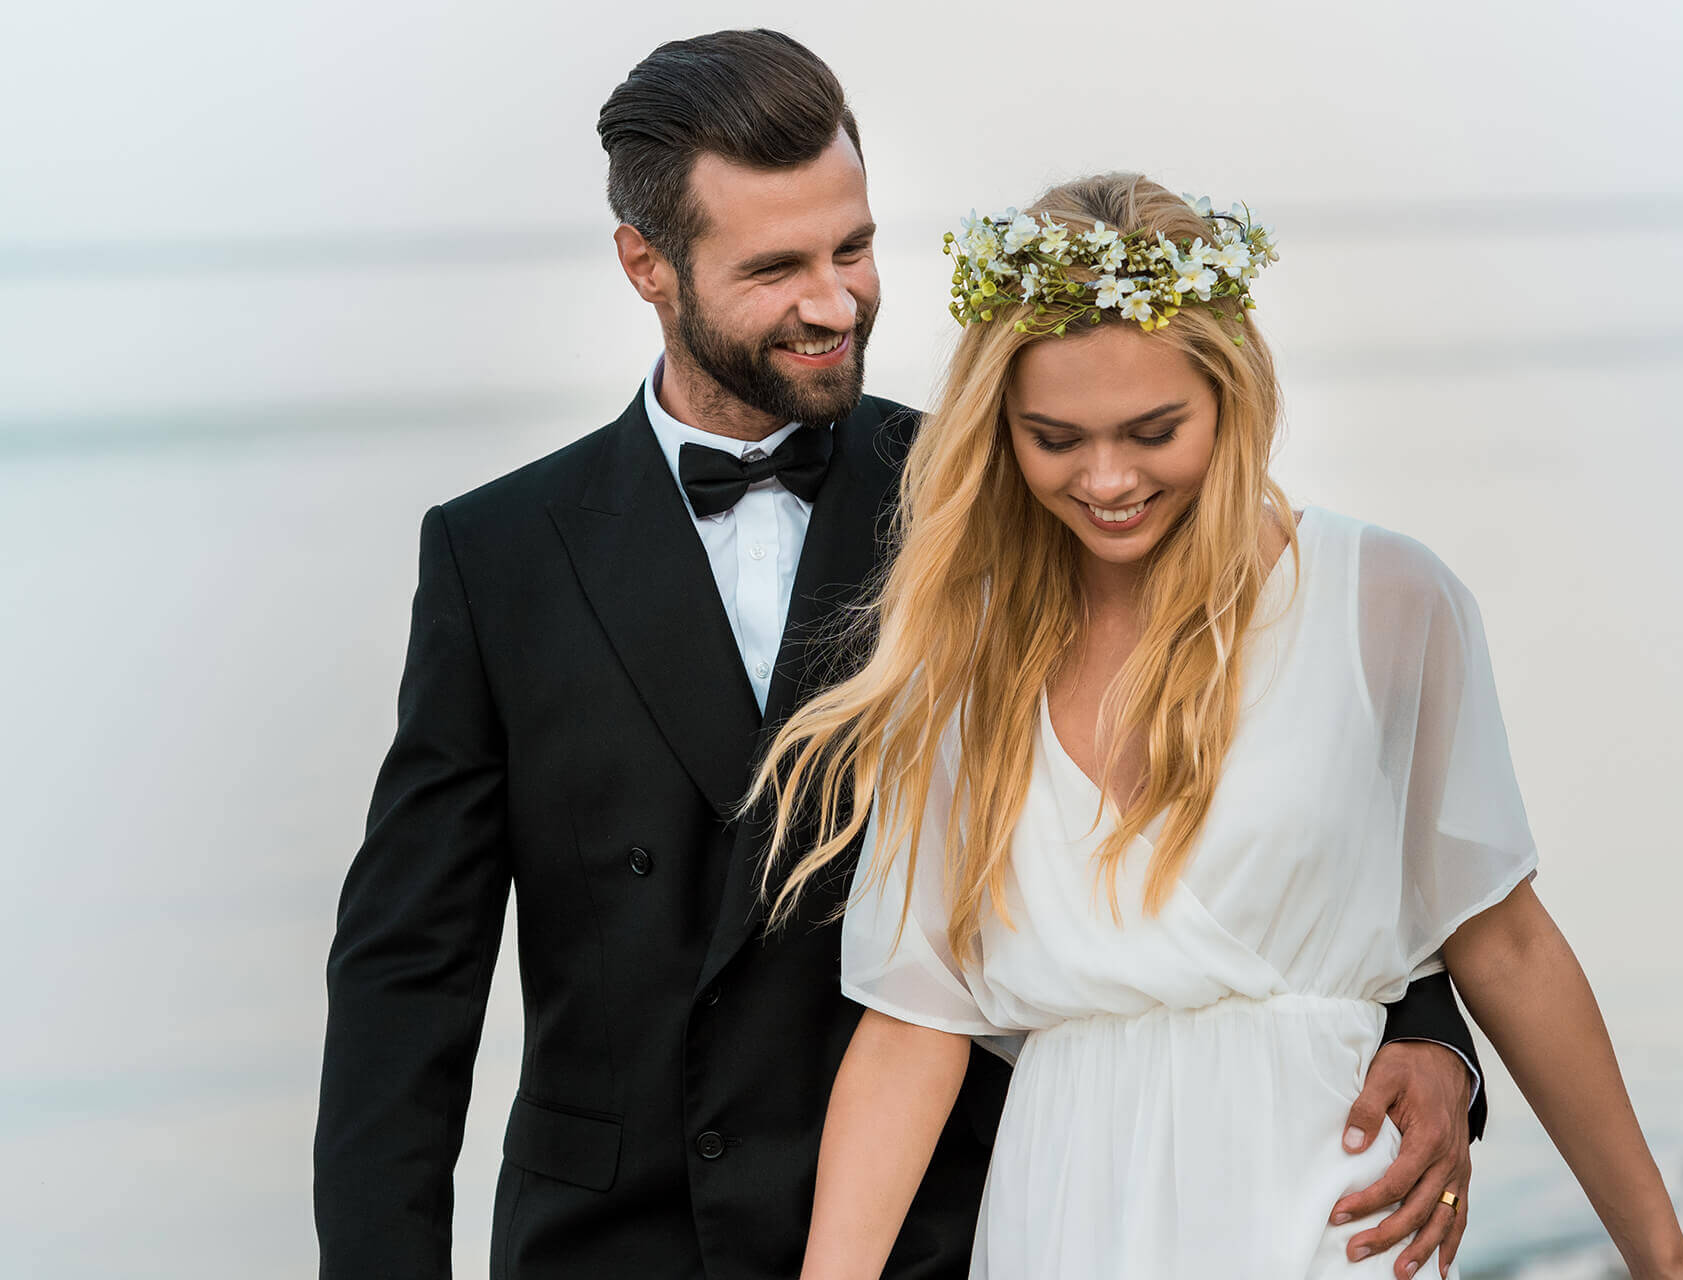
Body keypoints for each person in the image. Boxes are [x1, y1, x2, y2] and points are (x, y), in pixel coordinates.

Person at [314, 29, 1488, 1280]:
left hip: (955, 1221)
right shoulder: (497, 555)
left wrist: (1424, 1020)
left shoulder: (1004, 490)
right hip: (618, 1238)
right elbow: (409, 970)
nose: (834, 303)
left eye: (854, 248)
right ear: (645, 264)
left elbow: (1267, 728)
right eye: (775, 267)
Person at [752, 174, 1683, 1280]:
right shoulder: (960, 653)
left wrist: (1665, 1257)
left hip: (1327, 1201)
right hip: (1062, 1213)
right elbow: (915, 1019)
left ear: (1233, 396)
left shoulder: (1384, 599)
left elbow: (1506, 940)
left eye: (1154, 431)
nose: (1107, 480)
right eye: (1053, 438)